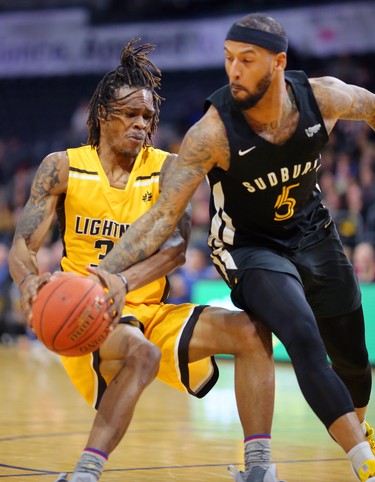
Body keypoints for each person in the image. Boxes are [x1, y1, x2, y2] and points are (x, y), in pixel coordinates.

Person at [95, 13, 375, 482]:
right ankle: (363, 460)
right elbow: (163, 216)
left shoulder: (322, 97)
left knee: (351, 352)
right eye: (228, 59)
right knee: (302, 335)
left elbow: (370, 107)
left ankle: (361, 432)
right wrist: (104, 270)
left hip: (313, 233)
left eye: (246, 60)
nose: (234, 71)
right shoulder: (212, 133)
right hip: (248, 247)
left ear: (279, 62)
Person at [8, 40, 280, 482]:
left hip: (150, 311)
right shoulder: (62, 167)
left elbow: (174, 248)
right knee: (142, 353)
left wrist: (123, 280)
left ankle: (259, 471)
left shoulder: (169, 167)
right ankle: (84, 474)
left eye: (148, 117)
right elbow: (23, 245)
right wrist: (27, 284)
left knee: (252, 331)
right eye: (130, 115)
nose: (142, 124)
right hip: (90, 315)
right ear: (102, 116)